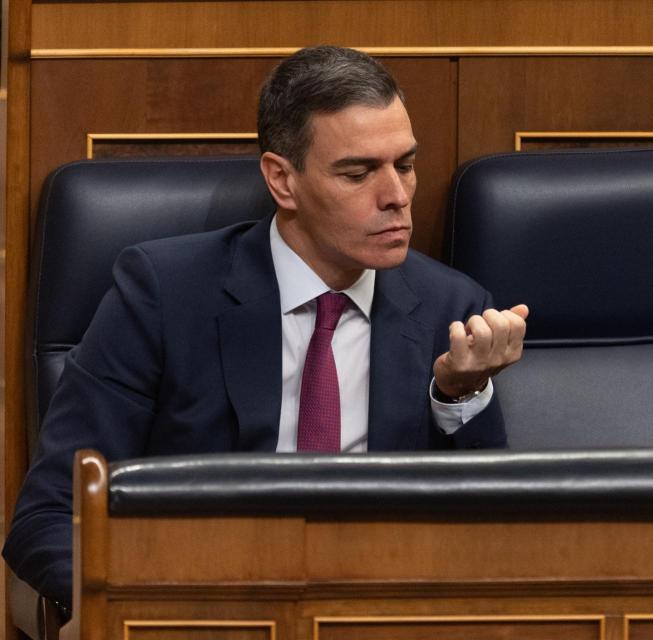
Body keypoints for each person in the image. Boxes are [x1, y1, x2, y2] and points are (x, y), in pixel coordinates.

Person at [3, 45, 528, 614]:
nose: (396, 197)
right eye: (358, 173)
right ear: (282, 180)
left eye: (404, 165)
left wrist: (461, 394)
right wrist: (151, 610)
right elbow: (50, 516)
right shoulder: (164, 294)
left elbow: (491, 533)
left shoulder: (451, 307)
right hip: (201, 608)